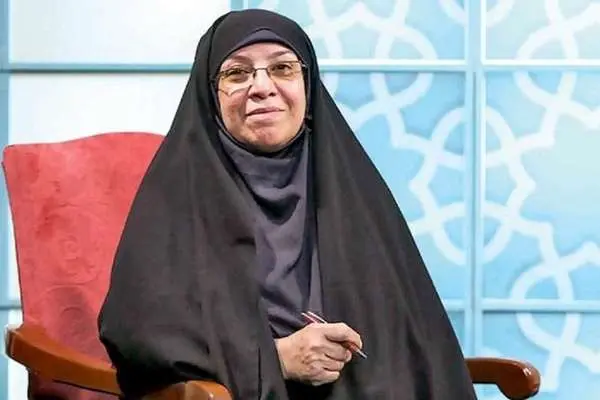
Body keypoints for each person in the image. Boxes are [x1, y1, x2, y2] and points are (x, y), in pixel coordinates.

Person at [98, 8, 477, 400]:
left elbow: (419, 345)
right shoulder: (177, 196)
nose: (262, 87)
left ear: (308, 86)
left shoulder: (355, 196)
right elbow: (137, 335)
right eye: (237, 73)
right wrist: (273, 359)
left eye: (282, 68)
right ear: (210, 96)